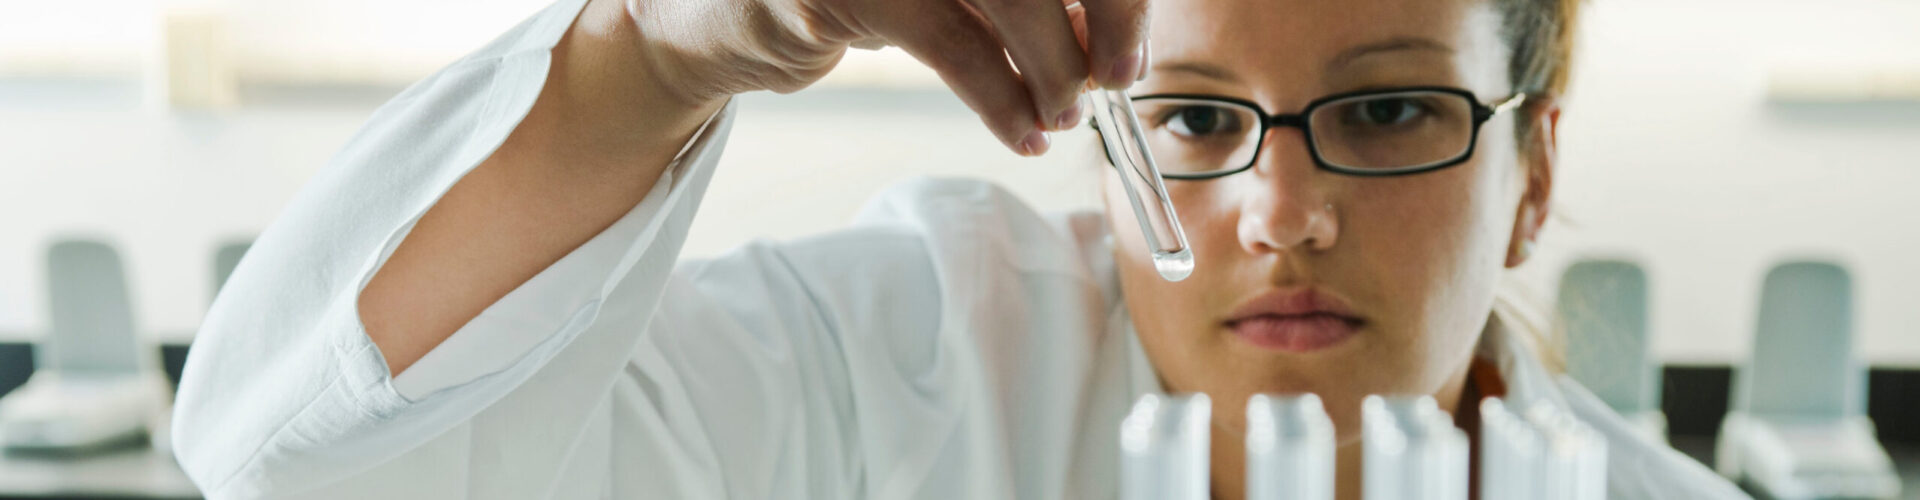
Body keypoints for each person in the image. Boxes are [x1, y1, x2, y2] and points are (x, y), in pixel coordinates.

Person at [171, 0, 1750, 497]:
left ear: (1533, 173)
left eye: (1395, 111)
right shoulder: (910, 360)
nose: (1280, 214)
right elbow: (299, 461)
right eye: (1194, 121)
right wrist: (650, 54)